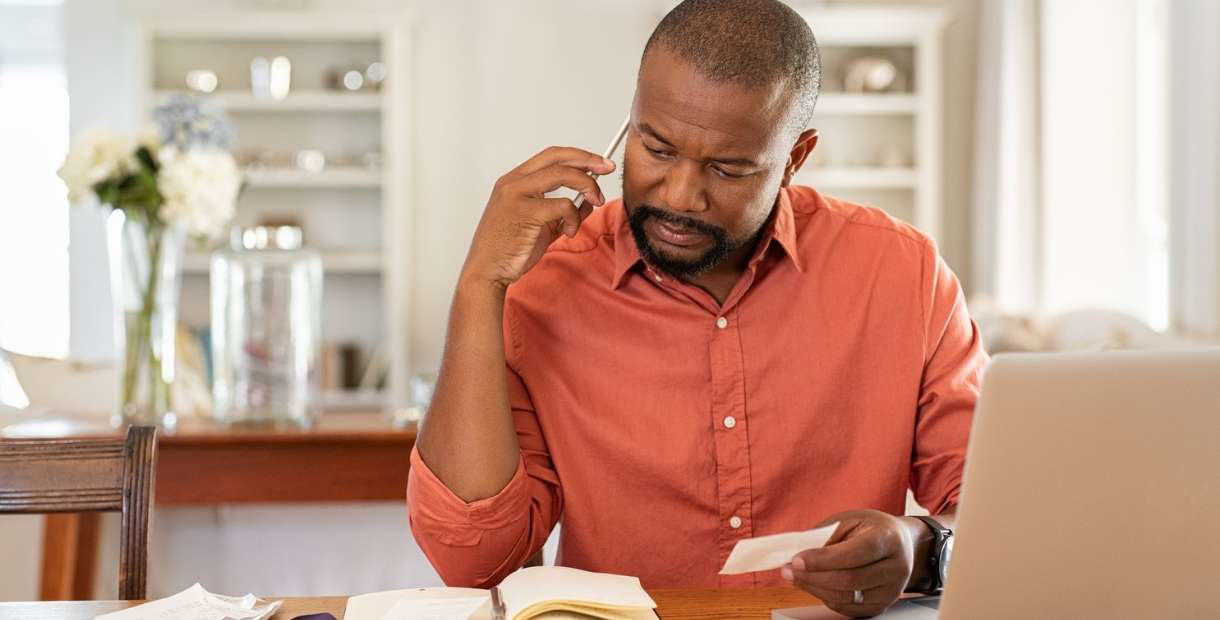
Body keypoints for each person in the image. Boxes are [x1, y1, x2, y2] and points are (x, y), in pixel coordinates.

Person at [408, 0, 987, 616]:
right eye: (656, 150)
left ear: (795, 158)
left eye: (728, 168)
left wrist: (921, 546)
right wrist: (479, 287)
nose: (680, 196)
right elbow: (472, 561)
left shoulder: (904, 275)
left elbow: (1000, 514)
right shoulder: (544, 283)